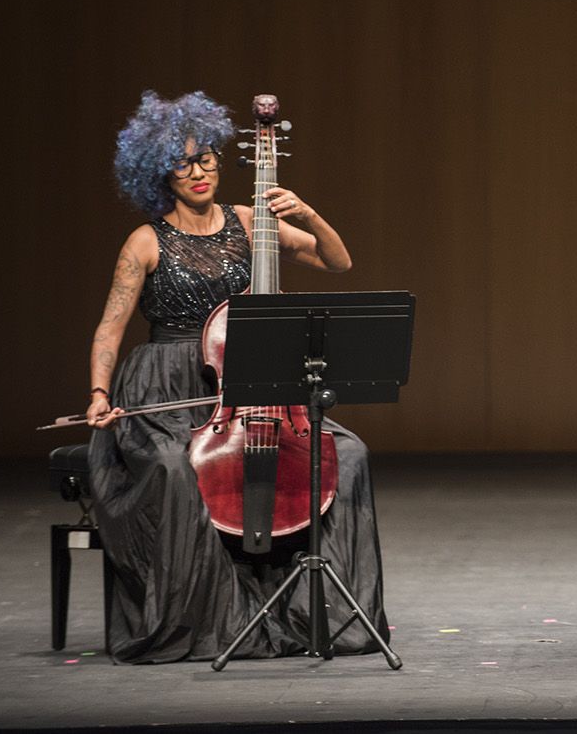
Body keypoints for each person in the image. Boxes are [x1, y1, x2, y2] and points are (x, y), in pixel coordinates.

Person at [85, 90, 388, 663]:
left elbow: (337, 261)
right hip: (168, 389)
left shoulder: (251, 221)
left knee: (346, 455)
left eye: (205, 159)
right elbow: (110, 327)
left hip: (246, 380)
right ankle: (201, 620)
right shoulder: (145, 242)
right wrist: (99, 392)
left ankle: (324, 615)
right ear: (159, 173)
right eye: (182, 164)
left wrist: (308, 215)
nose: (198, 172)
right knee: (176, 467)